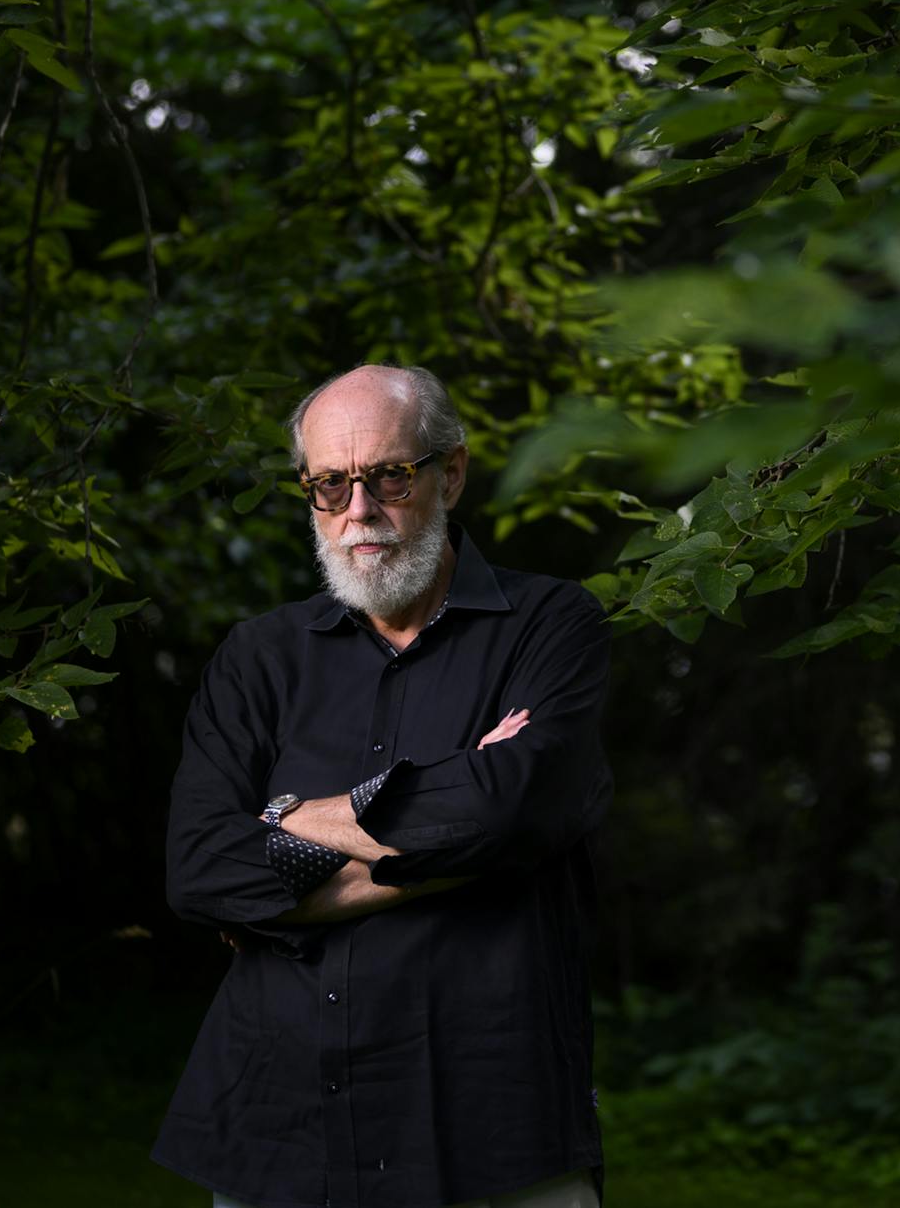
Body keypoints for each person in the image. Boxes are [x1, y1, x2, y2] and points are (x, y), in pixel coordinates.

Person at [152, 364, 612, 1208]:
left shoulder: (551, 626)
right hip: (277, 1133)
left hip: (494, 1134)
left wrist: (281, 824)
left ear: (453, 473)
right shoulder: (261, 657)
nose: (359, 510)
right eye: (330, 483)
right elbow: (198, 870)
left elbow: (514, 806)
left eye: (388, 475)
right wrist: (463, 831)